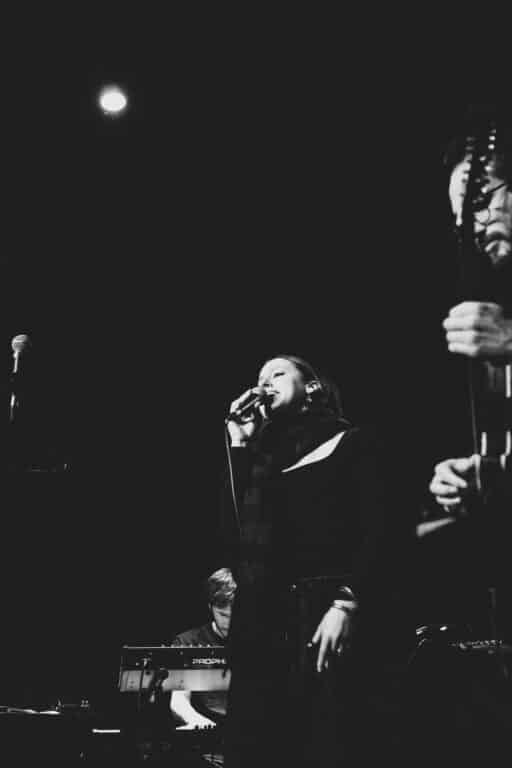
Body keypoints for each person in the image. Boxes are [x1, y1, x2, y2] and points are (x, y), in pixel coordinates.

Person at [218, 354, 406, 768]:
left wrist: (347, 602)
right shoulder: (262, 460)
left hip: (322, 609)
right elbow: (236, 540)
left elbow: (381, 531)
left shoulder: (352, 442)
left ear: (312, 388)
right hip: (264, 624)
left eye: (277, 373)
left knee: (326, 741)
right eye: (259, 377)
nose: (264, 383)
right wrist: (239, 442)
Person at [169, 567, 236, 731]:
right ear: (210, 607)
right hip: (205, 736)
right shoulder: (187, 642)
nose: (229, 623)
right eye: (223, 615)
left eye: (235, 616)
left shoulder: (257, 643)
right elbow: (178, 700)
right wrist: (199, 722)